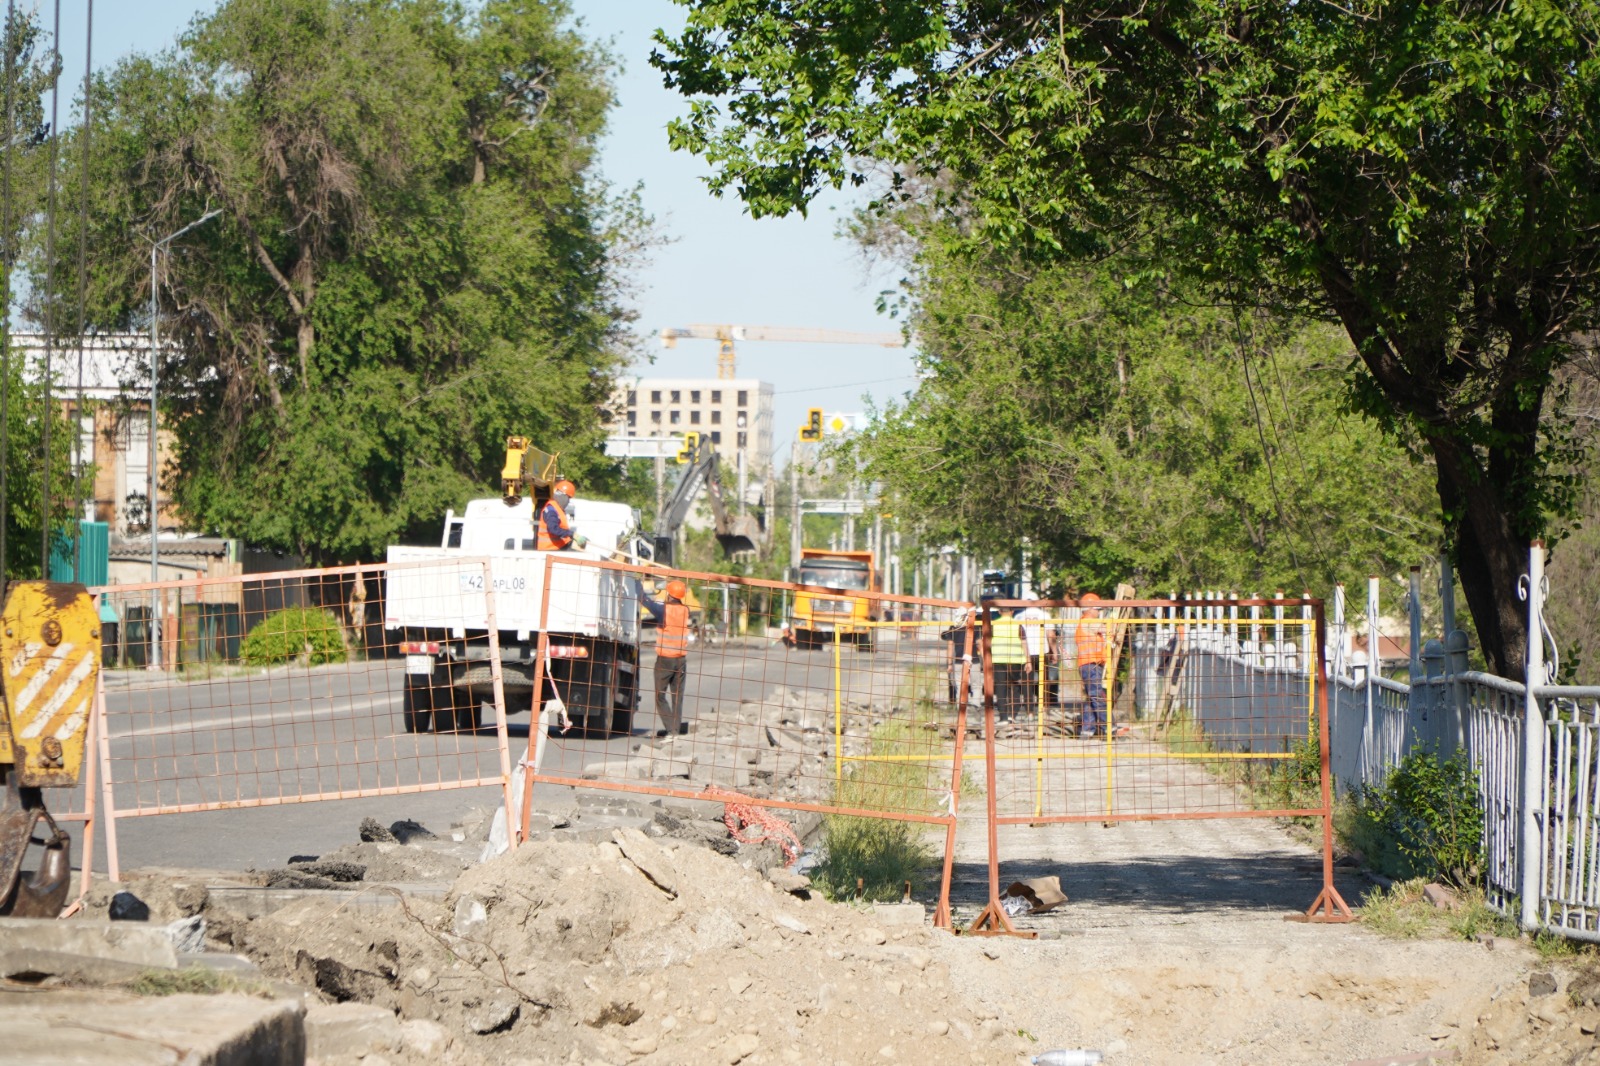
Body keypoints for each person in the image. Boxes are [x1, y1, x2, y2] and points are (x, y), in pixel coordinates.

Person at [642, 578, 692, 737]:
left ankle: (672, 731)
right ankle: (675, 730)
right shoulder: (685, 610)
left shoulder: (664, 610)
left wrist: (638, 587)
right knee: (678, 697)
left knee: (660, 696)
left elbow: (646, 603)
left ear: (670, 595)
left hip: (665, 660)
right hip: (681, 660)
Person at [1075, 592, 1109, 738]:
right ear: (1089, 609)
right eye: (1097, 609)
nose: (1099, 612)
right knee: (1097, 696)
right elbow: (1108, 629)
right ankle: (1109, 727)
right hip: (1091, 664)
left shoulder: (1085, 622)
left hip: (1090, 664)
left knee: (1091, 697)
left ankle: (1087, 729)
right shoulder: (1088, 621)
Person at [989, 603, 1029, 722]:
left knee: (1001, 689)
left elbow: (987, 642)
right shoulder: (1018, 625)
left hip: (998, 659)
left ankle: (1003, 717)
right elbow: (1024, 643)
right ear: (1012, 612)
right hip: (1015, 660)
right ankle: (1013, 714)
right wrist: (1028, 660)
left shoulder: (994, 625)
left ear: (1000, 612)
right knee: (1014, 688)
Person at [1016, 592, 1051, 719]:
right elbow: (1051, 634)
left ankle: (1029, 712)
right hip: (1042, 651)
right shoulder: (1044, 615)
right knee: (1044, 681)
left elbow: (1017, 636)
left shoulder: (1019, 616)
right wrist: (1054, 651)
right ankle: (1044, 709)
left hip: (1025, 653)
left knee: (1027, 683)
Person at [537, 479, 587, 551]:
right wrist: (572, 534)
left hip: (557, 547)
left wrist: (573, 537)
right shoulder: (551, 510)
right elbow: (553, 529)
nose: (568, 501)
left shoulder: (556, 508)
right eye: (568, 498)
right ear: (563, 496)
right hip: (550, 550)